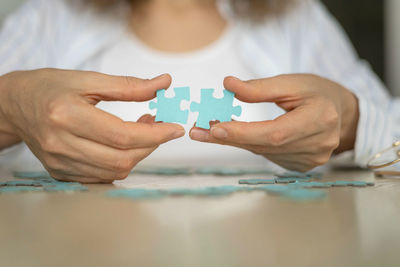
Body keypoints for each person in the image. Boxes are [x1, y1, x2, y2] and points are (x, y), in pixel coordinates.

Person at [0, 0, 397, 183]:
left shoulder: (299, 19)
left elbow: (391, 136)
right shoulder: (46, 17)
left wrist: (353, 123)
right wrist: (7, 107)